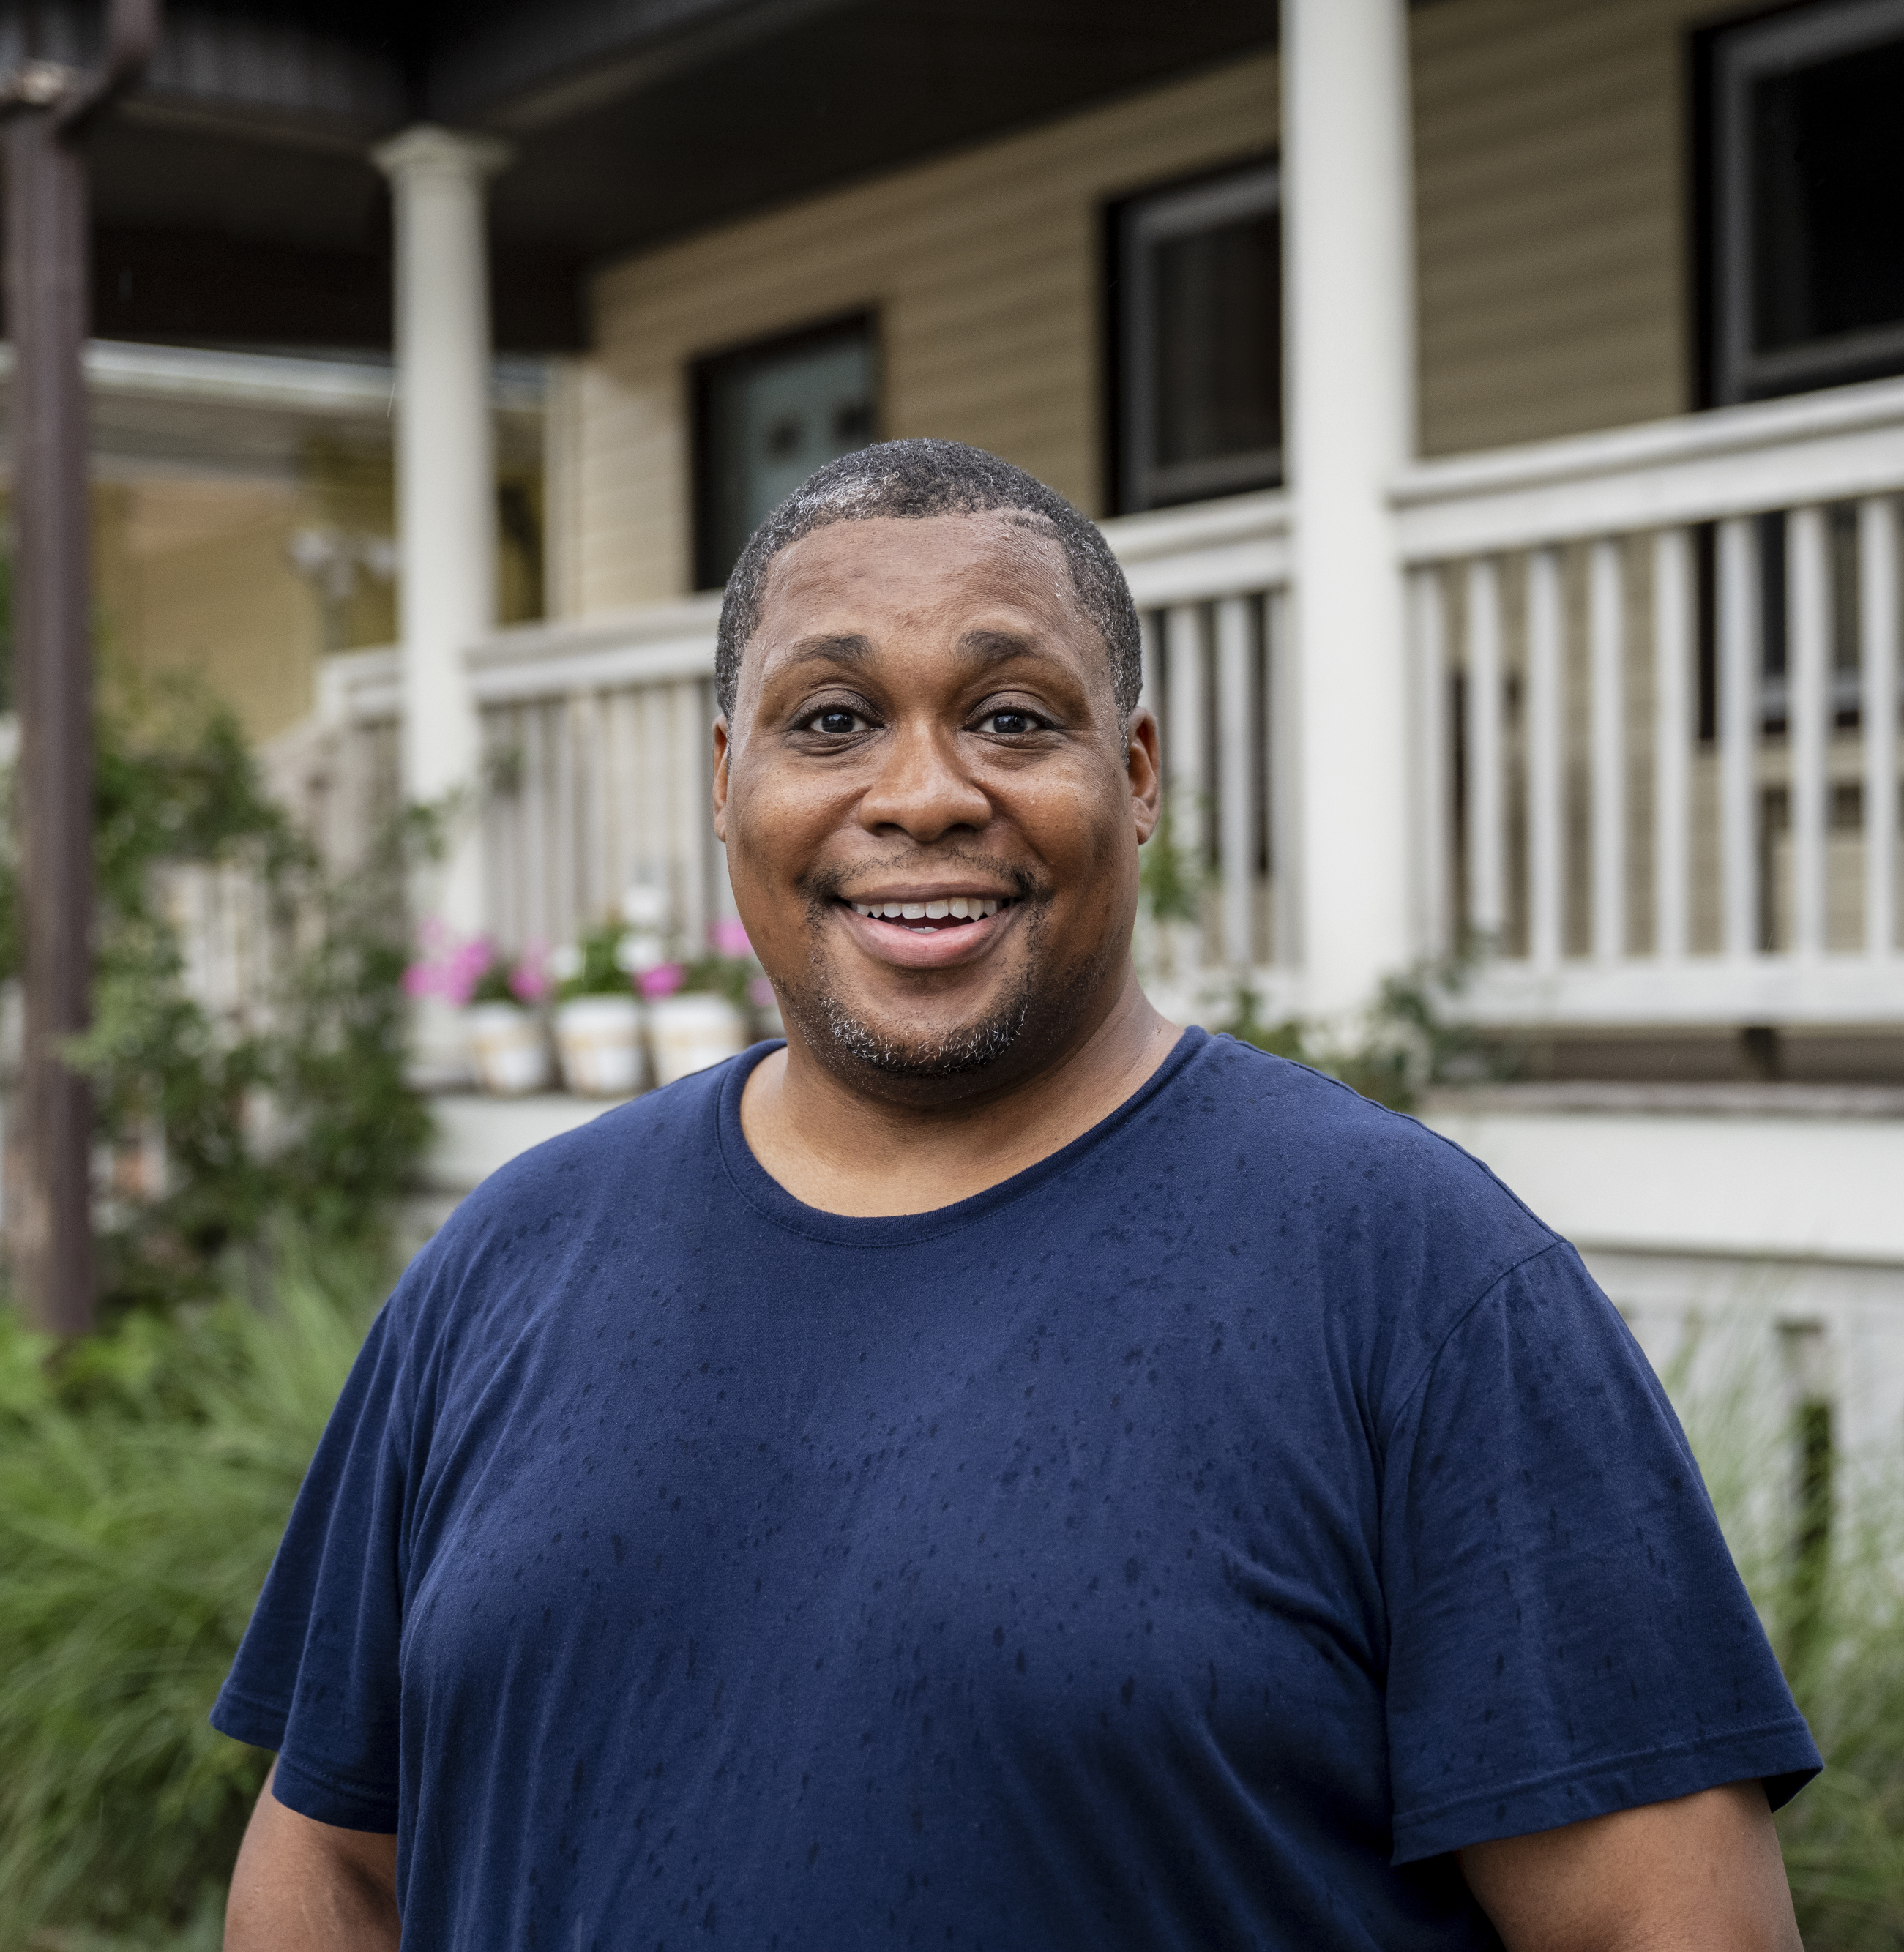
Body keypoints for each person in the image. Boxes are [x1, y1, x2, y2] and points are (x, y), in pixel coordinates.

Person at [215, 439, 1817, 1951]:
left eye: (1011, 716)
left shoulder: (1413, 1279)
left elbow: (1663, 1921)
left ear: (1133, 775)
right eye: (831, 718)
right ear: (726, 777)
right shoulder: (508, 1261)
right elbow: (336, 1867)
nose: (922, 791)